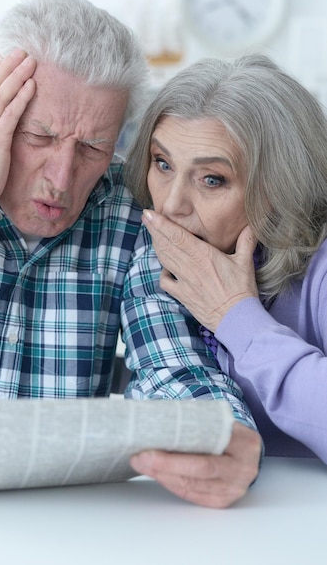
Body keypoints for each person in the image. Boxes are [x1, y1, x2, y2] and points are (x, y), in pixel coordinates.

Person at [0, 0, 261, 508]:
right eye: (39, 135)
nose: (61, 178)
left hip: (56, 518)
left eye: (94, 146)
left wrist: (220, 433)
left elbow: (170, 362)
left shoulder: (129, 211)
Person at [124, 52, 327, 463]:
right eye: (162, 164)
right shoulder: (163, 250)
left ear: (279, 188)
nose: (171, 204)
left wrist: (236, 317)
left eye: (212, 179)